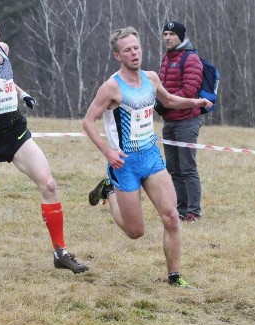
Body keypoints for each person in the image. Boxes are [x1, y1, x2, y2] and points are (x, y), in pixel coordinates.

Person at [0, 8, 88, 273]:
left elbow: (6, 80)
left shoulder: (4, 50)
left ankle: (60, 252)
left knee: (49, 184)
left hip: (15, 132)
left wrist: (23, 94)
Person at [82, 27, 212, 287]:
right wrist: (108, 151)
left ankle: (174, 276)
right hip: (125, 163)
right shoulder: (111, 87)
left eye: (137, 47)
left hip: (151, 156)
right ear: (117, 56)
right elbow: (88, 122)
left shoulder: (151, 78)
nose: (134, 53)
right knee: (135, 232)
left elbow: (170, 101)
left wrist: (195, 102)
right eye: (127, 50)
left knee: (172, 216)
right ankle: (109, 190)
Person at [158, 20, 205, 222]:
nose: (167, 37)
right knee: (173, 168)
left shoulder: (191, 59)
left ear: (181, 36)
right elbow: (160, 86)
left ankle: (194, 212)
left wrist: (165, 103)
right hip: (169, 121)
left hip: (187, 120)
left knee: (188, 168)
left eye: (172, 34)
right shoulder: (166, 59)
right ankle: (182, 209)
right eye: (165, 34)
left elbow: (189, 91)